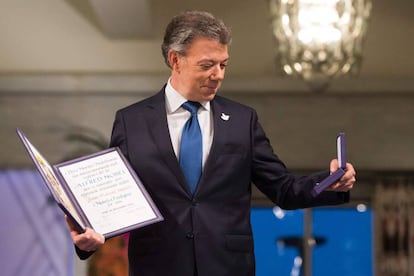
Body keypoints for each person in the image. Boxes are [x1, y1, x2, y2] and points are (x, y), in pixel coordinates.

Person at [67, 10, 356, 276]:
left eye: (223, 64)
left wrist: (329, 183)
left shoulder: (244, 120)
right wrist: (87, 239)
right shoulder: (132, 121)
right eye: (207, 65)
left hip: (227, 266)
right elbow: (111, 198)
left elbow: (283, 189)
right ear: (175, 60)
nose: (218, 74)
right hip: (157, 266)